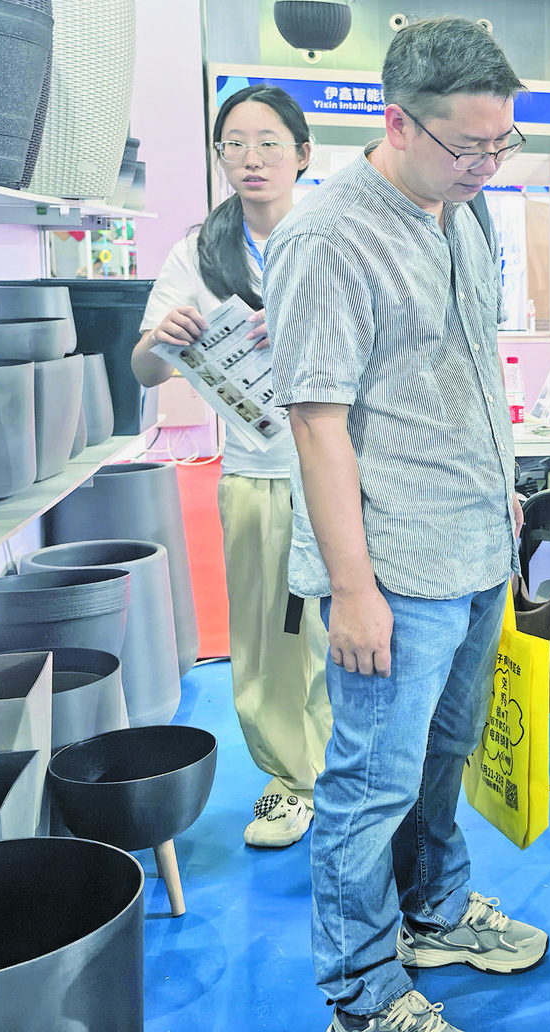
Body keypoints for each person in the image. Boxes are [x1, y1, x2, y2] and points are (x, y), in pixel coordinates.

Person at [267, 18, 546, 1032]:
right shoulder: (329, 238)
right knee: (369, 783)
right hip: (392, 569)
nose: (486, 164)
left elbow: (460, 369)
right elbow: (318, 426)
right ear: (397, 122)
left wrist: (500, 488)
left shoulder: (464, 213)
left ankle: (432, 910)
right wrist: (352, 591)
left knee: (444, 755)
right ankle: (359, 989)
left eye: (501, 143)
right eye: (467, 145)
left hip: (473, 543)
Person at [130, 83, 332, 850]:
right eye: (235, 144)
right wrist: (162, 339)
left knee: (345, 634)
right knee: (269, 640)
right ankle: (290, 782)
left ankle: (347, 776)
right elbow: (144, 370)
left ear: (302, 154)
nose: (252, 158)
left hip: (342, 472)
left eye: (269, 142)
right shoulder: (200, 252)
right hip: (257, 474)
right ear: (219, 157)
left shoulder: (333, 237)